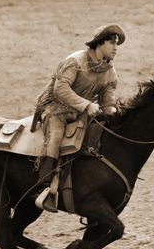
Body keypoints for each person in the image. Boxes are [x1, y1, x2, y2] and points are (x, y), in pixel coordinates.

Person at [32, 24, 126, 212]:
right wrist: (87, 105)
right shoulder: (74, 62)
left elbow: (107, 102)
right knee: (56, 136)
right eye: (112, 43)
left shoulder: (110, 72)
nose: (116, 48)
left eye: (117, 44)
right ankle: (43, 188)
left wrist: (115, 114)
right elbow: (60, 89)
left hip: (82, 115)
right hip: (55, 109)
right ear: (99, 43)